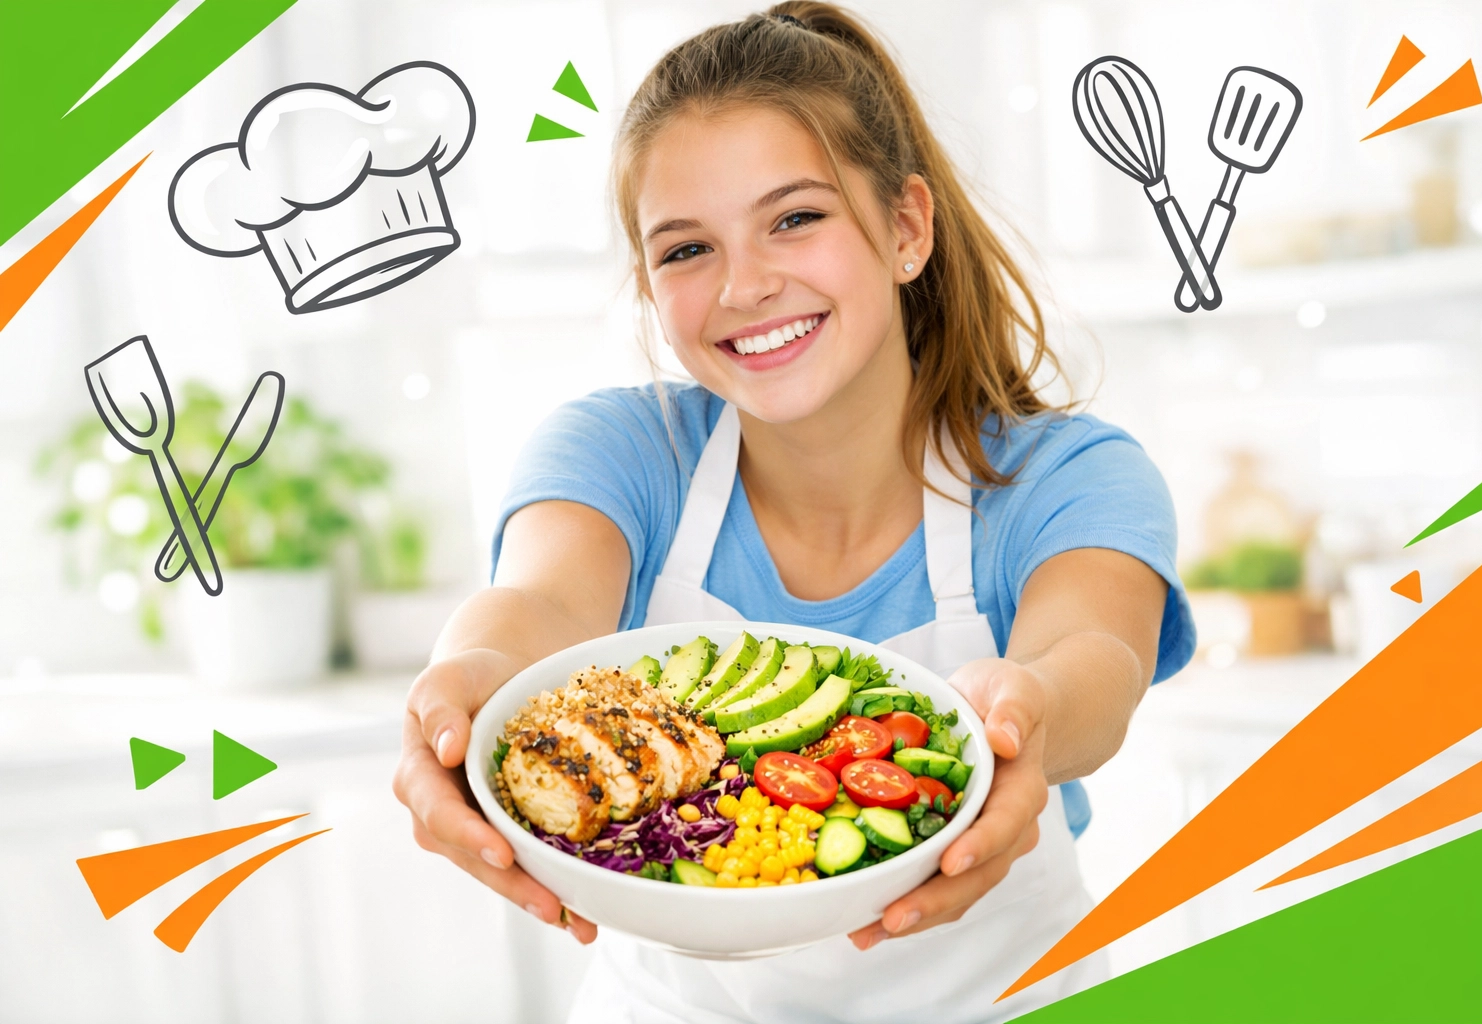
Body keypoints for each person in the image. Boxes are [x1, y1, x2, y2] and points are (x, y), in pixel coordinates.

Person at [393, 4, 1194, 1021]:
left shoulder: (1068, 474)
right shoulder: (621, 451)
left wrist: (1027, 709)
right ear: (649, 284)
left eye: (795, 218)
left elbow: (1097, 662)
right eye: (685, 249)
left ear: (905, 228)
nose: (746, 284)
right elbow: (537, 604)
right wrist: (464, 688)